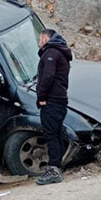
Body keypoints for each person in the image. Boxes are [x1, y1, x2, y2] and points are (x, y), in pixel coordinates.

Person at [35, 28, 72, 186]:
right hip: (60, 99)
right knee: (55, 134)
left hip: (52, 100)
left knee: (51, 134)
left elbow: (48, 75)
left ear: (45, 38)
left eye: (39, 39)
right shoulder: (60, 52)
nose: (38, 42)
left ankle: (54, 169)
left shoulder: (51, 53)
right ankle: (56, 165)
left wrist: (41, 96)